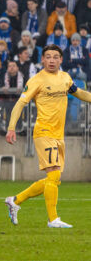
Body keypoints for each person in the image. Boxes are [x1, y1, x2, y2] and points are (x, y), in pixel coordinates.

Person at [5, 44, 91, 228]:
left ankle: (15, 200)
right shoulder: (36, 80)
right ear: (42, 60)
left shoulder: (65, 78)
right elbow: (20, 103)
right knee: (53, 173)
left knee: (54, 179)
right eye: (48, 57)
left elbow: (80, 93)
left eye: (55, 57)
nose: (52, 60)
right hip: (43, 132)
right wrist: (12, 127)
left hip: (59, 135)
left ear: (61, 59)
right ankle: (53, 220)